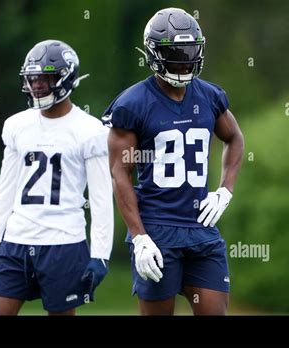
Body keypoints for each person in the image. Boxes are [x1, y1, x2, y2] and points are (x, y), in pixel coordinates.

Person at [104, 8, 244, 315]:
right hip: (157, 230)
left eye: (189, 51)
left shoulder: (209, 96)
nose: (183, 60)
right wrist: (139, 237)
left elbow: (234, 138)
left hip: (201, 229)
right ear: (154, 53)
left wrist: (225, 190)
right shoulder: (133, 104)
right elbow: (120, 174)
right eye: (175, 53)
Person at [0, 40, 114, 315]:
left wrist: (100, 254)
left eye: (45, 78)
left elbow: (100, 199)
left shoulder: (90, 130)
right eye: (33, 79)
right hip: (17, 239)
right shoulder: (17, 125)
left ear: (66, 78)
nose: (37, 85)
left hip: (63, 242)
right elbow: (6, 187)